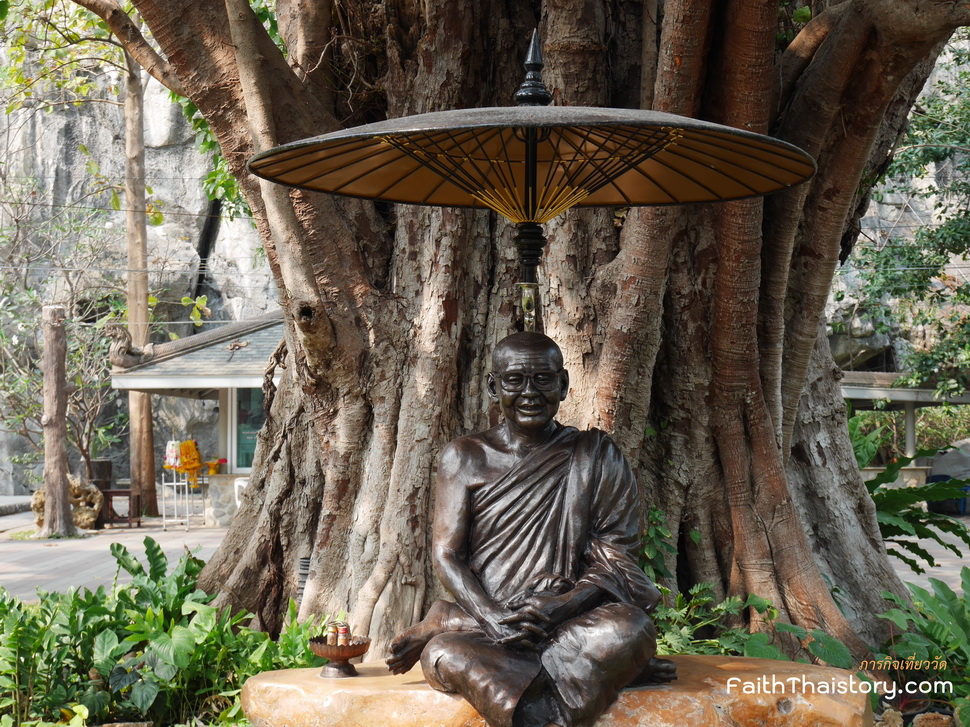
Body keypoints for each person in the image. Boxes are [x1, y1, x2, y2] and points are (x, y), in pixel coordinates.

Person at [387, 331, 675, 727]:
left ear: (563, 384)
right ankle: (571, 688)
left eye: (542, 379)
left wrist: (565, 604)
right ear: (493, 386)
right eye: (514, 380)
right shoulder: (465, 457)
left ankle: (453, 620)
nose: (529, 393)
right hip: (490, 626)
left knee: (630, 629)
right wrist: (490, 617)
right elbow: (447, 555)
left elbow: (618, 556)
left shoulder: (596, 455)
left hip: (567, 617)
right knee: (445, 655)